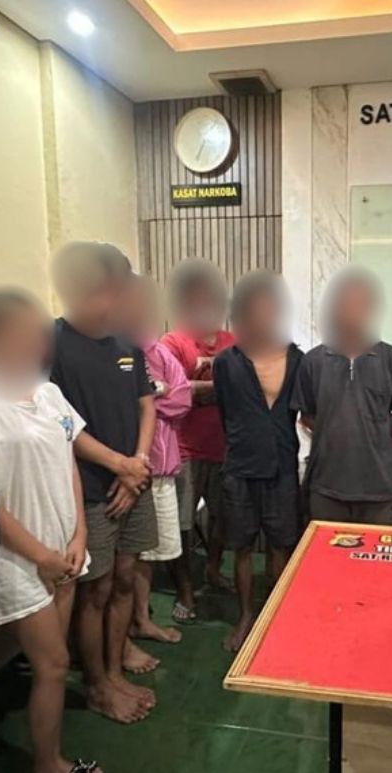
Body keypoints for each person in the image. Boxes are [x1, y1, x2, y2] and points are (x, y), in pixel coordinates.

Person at [0, 289, 101, 773]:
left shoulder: (48, 392)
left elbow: (68, 462)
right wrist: (40, 554)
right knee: (52, 663)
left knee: (52, 665)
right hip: (17, 557)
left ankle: (50, 755)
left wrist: (79, 534)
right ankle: (48, 764)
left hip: (64, 547)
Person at [47, 241, 158, 724]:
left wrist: (137, 464)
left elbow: (146, 406)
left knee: (127, 578)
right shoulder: (51, 344)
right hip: (90, 487)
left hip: (134, 481)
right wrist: (118, 465)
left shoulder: (126, 344)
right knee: (96, 589)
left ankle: (114, 670)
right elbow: (57, 423)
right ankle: (97, 684)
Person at [213, 271, 303, 652]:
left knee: (282, 545)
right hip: (240, 468)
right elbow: (226, 413)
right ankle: (246, 615)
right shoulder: (225, 363)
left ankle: (275, 616)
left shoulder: (298, 359)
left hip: (282, 466)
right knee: (243, 546)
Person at [293, 266, 392, 524]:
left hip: (378, 488)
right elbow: (307, 414)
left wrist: (376, 428)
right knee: (325, 550)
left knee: (377, 550)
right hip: (326, 485)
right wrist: (334, 429)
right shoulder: (313, 361)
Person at [161, 259, 235, 623]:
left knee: (223, 519)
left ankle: (214, 570)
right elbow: (175, 393)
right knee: (183, 524)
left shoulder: (233, 342)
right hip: (185, 450)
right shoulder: (172, 343)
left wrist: (200, 389)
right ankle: (186, 591)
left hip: (226, 449)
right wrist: (220, 388)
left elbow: (248, 387)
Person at [120, 275, 191, 646]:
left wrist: (149, 399)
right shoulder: (114, 349)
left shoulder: (158, 351)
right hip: (125, 467)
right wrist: (151, 395)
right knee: (126, 555)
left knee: (149, 551)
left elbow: (183, 399)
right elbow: (118, 406)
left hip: (162, 467)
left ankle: (141, 618)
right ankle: (126, 628)